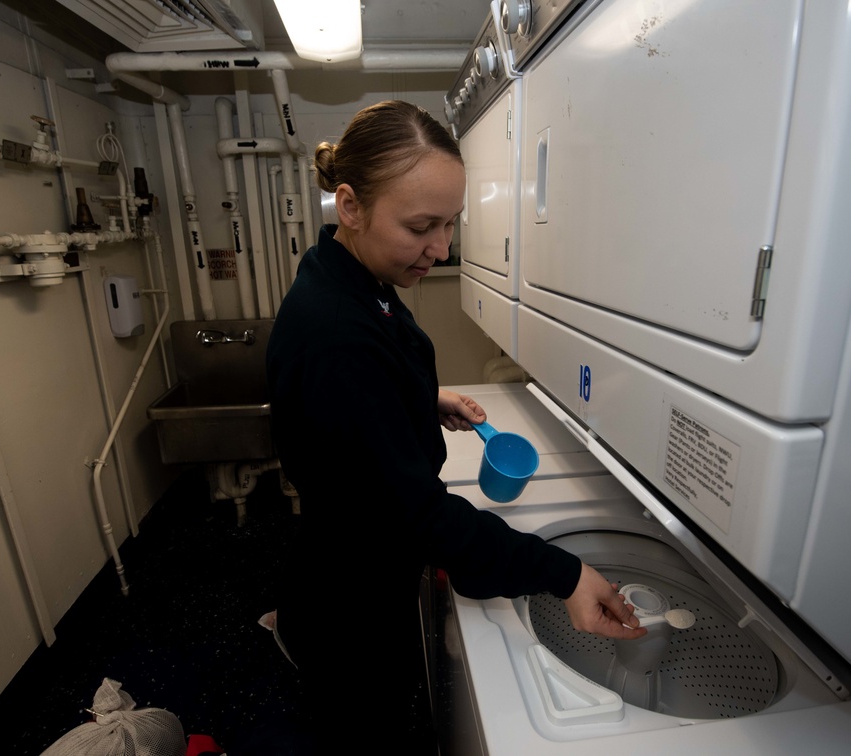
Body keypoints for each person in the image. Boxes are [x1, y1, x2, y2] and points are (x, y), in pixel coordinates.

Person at [266, 100, 645, 752]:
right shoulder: (334, 335)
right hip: (350, 611)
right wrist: (565, 575)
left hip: (357, 568)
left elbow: (365, 388)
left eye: (450, 223)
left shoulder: (351, 276)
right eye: (420, 226)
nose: (440, 250)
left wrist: (415, 398)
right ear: (349, 207)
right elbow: (418, 517)